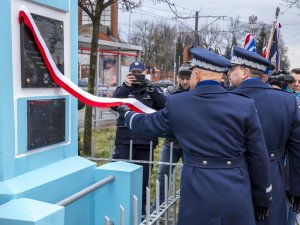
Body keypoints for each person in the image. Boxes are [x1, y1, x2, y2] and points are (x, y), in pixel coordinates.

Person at [118, 47, 272, 225]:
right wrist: (263, 197)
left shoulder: (178, 104)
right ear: (221, 76)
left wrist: (127, 114)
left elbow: (148, 124)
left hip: (197, 190)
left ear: (197, 75)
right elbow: (258, 156)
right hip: (235, 190)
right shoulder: (244, 105)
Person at [229, 46, 300, 225]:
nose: (229, 73)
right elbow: (297, 150)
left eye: (232, 69)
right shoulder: (287, 100)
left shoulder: (225, 99)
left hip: (233, 175)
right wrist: (296, 189)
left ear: (244, 73)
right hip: (273, 176)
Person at [112, 61, 166, 213]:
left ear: (145, 74)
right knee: (121, 180)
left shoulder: (152, 89)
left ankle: (141, 215)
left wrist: (152, 89)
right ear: (129, 74)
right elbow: (113, 104)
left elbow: (164, 105)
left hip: (145, 142)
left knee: (143, 183)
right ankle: (121, 213)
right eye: (133, 73)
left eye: (139, 74)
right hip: (124, 141)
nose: (136, 76)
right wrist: (125, 86)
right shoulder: (123, 89)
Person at [156, 63, 191, 205]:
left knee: (189, 177)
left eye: (187, 78)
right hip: (171, 142)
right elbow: (165, 112)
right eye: (181, 78)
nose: (184, 82)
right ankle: (159, 204)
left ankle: (188, 204)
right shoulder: (170, 91)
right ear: (177, 77)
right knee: (162, 173)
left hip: (189, 144)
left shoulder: (197, 92)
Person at [286, 68, 300, 225]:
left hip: (296, 158)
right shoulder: (281, 99)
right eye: (293, 81)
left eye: (299, 82)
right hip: (283, 158)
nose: (296, 85)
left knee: (294, 199)